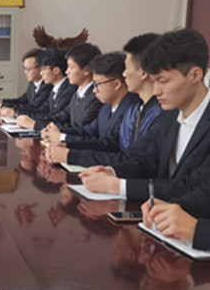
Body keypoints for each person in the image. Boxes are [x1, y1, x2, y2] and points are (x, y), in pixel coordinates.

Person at [80, 28, 210, 201]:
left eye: (163, 81)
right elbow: (147, 161)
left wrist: (117, 186)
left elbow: (194, 187)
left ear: (195, 75)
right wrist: (112, 171)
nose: (156, 91)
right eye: (153, 81)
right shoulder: (170, 115)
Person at [47, 33, 162, 165]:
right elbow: (106, 141)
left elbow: (132, 158)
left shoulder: (152, 111)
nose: (124, 74)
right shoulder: (134, 109)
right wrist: (66, 143)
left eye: (127, 69)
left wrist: (71, 154)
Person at [42, 52, 139, 159]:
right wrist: (56, 131)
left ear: (117, 84)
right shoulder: (106, 108)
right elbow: (87, 131)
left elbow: (107, 144)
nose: (94, 90)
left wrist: (62, 137)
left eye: (97, 84)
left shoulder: (132, 109)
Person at [17, 43, 101, 130]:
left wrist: (35, 124)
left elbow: (79, 129)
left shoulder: (95, 96)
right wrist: (31, 121)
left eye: (71, 67)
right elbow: (60, 117)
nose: (67, 72)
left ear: (87, 70)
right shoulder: (78, 93)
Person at [0, 48, 52, 117]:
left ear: (41, 68)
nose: (26, 72)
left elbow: (34, 106)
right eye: (24, 69)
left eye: (29, 69)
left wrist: (9, 108)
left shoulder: (48, 85)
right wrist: (3, 102)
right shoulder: (33, 83)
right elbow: (23, 99)